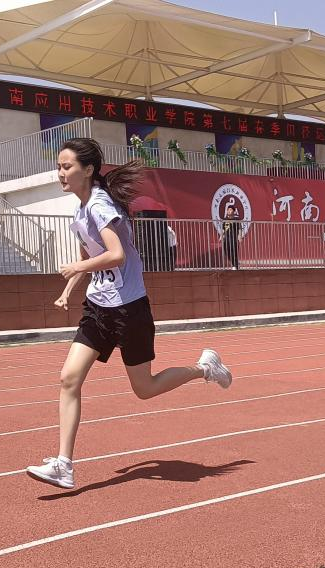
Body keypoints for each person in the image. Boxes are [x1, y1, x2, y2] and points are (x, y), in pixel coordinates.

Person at [25, 137, 233, 490]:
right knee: (69, 379)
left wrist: (78, 266)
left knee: (144, 388)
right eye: (58, 166)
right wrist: (67, 291)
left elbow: (116, 254)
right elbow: (91, 259)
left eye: (66, 166)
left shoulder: (99, 205)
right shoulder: (80, 210)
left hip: (128, 308)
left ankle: (204, 368)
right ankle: (63, 465)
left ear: (87, 170)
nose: (60, 173)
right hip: (98, 307)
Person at [222, 199, 242, 270]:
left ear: (234, 211)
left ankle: (235, 265)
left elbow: (239, 228)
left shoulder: (236, 219)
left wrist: (240, 236)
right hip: (226, 238)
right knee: (226, 251)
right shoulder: (225, 219)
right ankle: (235, 263)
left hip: (233, 238)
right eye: (228, 210)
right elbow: (223, 229)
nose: (229, 211)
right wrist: (221, 236)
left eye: (230, 210)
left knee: (234, 252)